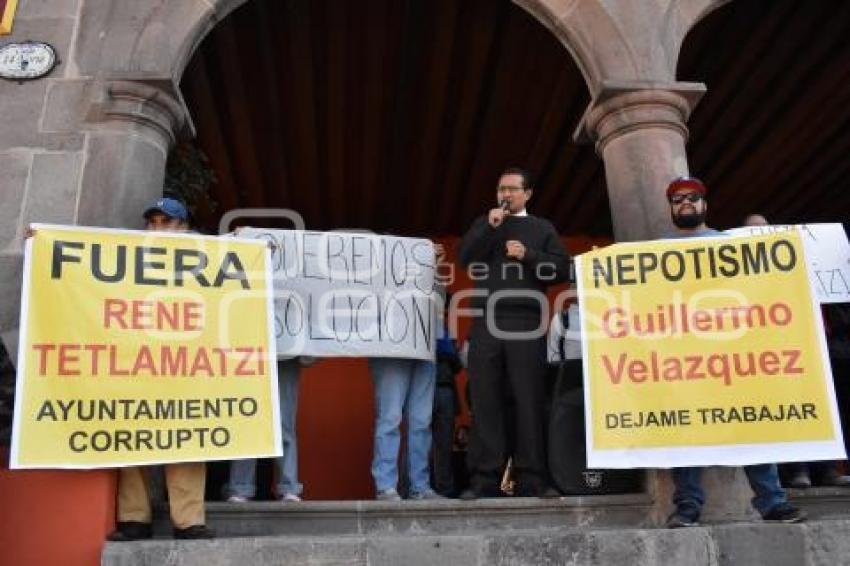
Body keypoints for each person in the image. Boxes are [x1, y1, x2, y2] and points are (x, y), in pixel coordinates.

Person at [662, 178, 805, 527]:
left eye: (692, 198)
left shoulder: (729, 245)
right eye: (677, 200)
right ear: (671, 209)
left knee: (751, 423)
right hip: (686, 357)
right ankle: (688, 506)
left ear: (704, 205)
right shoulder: (659, 252)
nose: (685, 204)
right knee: (686, 429)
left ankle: (772, 502)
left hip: (735, 353)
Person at [457, 167, 570, 498]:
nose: (504, 195)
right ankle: (483, 480)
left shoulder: (541, 228)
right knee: (485, 401)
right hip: (486, 321)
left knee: (528, 400)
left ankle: (533, 479)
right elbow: (464, 258)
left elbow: (561, 270)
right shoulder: (486, 224)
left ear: (527, 194)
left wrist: (529, 254)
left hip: (526, 322)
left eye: (511, 189)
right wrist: (487, 228)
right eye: (500, 189)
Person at [108, 197, 215, 541]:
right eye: (152, 222)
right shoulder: (129, 256)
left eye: (166, 222)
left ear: (183, 227)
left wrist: (257, 252)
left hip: (186, 365)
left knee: (187, 436)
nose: (158, 228)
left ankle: (189, 521)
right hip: (140, 362)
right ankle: (134, 519)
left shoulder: (206, 259)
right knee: (131, 436)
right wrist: (44, 247)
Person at [367, 241, 443, 501]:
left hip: (423, 350)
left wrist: (436, 268)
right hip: (389, 352)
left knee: (421, 421)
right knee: (390, 418)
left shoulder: (429, 274)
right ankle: (386, 485)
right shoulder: (370, 278)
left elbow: (440, 308)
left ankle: (419, 487)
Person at [226, 357, 312, 502]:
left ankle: (287, 487)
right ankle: (241, 487)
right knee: (246, 419)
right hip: (249, 353)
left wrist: (308, 349)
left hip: (284, 355)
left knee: (283, 423)